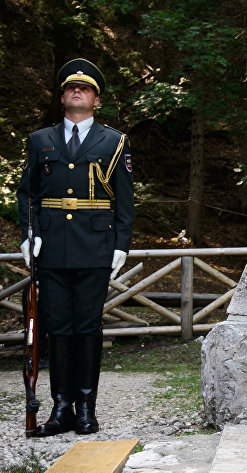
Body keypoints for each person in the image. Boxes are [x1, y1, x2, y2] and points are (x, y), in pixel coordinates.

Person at [17, 58, 135, 437]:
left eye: (85, 89)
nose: (77, 91)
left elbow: (125, 200)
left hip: (95, 245)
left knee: (86, 329)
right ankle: (60, 408)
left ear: (96, 101)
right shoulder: (40, 140)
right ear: (63, 97)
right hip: (51, 247)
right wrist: (28, 234)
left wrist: (121, 244)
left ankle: (86, 406)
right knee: (58, 329)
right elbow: (29, 194)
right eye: (71, 88)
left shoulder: (114, 141)